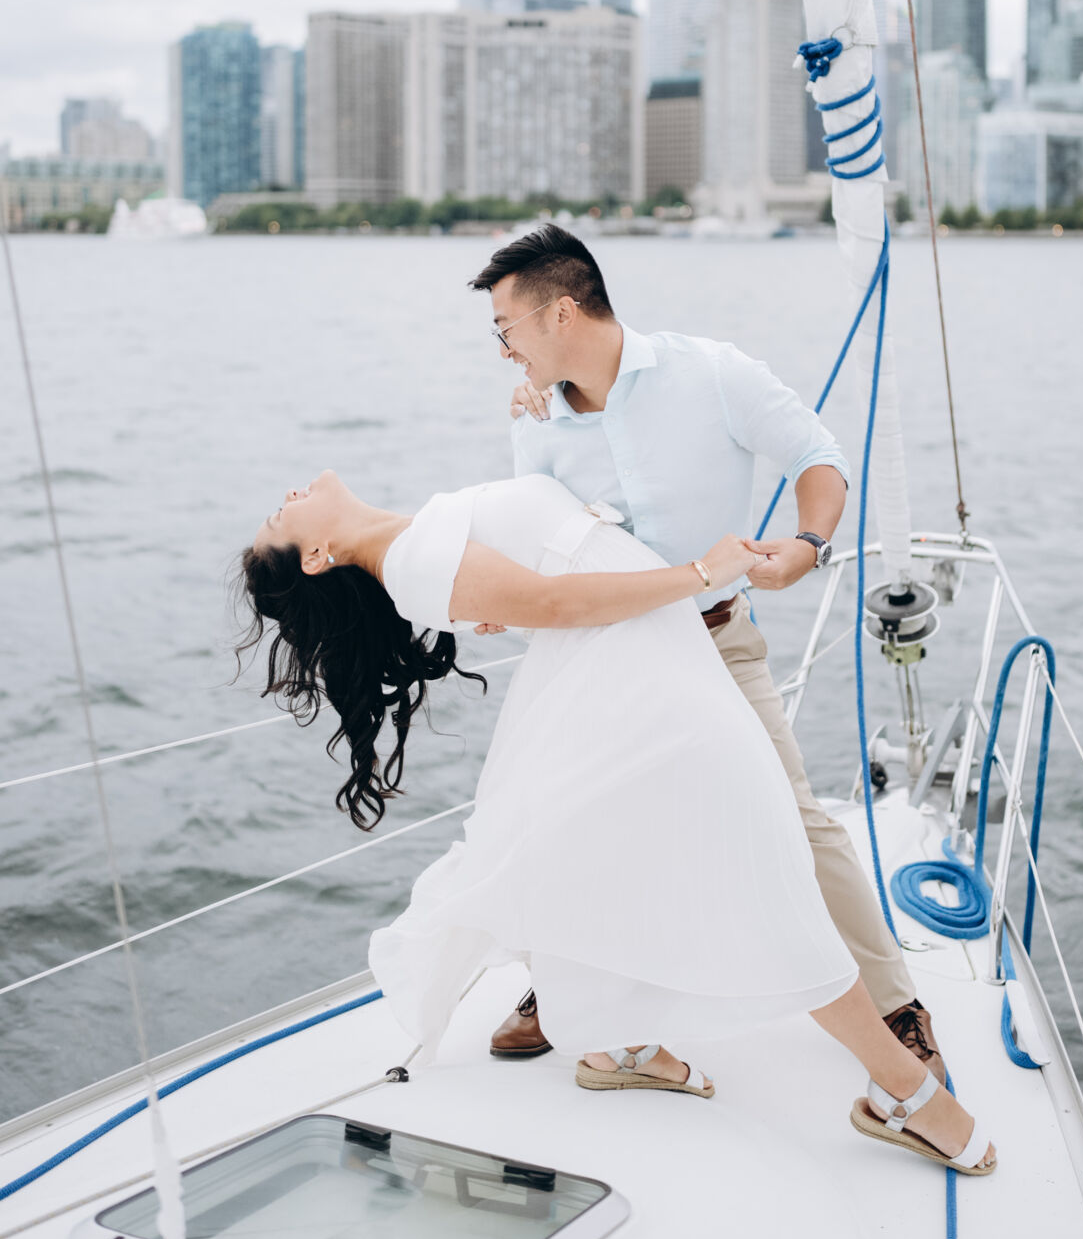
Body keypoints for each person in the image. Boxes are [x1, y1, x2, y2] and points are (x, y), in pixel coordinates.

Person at [238, 467, 995, 1175]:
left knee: (650, 860)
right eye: (279, 519)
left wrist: (545, 397)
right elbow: (558, 604)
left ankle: (625, 1046)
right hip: (634, 681)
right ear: (317, 556)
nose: (287, 496)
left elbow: (544, 574)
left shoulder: (415, 542)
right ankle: (903, 1092)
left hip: (641, 662)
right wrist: (704, 573)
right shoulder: (410, 561)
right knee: (760, 872)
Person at [469, 223, 947, 1084]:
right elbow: (545, 535)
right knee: (573, 823)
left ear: (562, 313)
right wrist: (507, 595)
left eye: (506, 329)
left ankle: (896, 1006)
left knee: (794, 821)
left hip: (717, 639)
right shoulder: (536, 426)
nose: (502, 350)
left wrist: (807, 544)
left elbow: (817, 456)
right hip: (604, 655)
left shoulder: (712, 374)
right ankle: (569, 993)